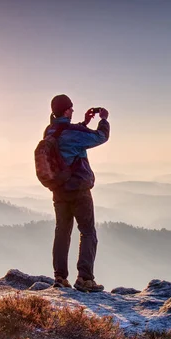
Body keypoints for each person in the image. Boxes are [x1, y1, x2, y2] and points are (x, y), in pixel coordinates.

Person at [44, 94, 110, 292]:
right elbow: (100, 137)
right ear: (65, 110)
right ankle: (85, 278)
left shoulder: (50, 130)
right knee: (88, 232)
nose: (73, 111)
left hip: (58, 190)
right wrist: (103, 120)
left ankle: (60, 277)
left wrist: (85, 122)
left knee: (62, 232)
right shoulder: (71, 132)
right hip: (78, 190)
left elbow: (69, 135)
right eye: (71, 108)